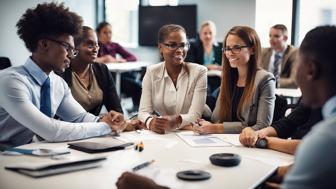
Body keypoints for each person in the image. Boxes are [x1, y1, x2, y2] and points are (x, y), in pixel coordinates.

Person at [0, 2, 125, 147]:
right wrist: (105, 127)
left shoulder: (58, 83)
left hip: (35, 153)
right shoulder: (10, 82)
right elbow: (51, 131)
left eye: (73, 50)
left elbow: (80, 117)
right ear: (44, 45)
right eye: (67, 47)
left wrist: (106, 120)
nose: (71, 55)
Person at [195, 26, 276, 135]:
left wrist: (217, 128)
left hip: (247, 146)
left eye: (237, 47)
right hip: (222, 141)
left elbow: (262, 125)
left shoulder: (265, 79)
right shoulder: (228, 78)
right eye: (227, 48)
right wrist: (204, 123)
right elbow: (216, 119)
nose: (230, 53)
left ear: (252, 49)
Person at [138, 24, 207, 134]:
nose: (179, 50)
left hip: (193, 132)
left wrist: (177, 120)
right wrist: (150, 122)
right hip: (167, 133)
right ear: (160, 47)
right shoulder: (151, 72)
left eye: (183, 45)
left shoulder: (199, 72)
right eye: (172, 45)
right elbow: (143, 112)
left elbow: (195, 115)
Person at [60, 26, 123, 115]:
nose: (95, 49)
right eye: (90, 45)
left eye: (97, 45)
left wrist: (119, 121)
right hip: (68, 127)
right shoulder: (62, 71)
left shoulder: (102, 70)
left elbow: (116, 109)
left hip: (94, 126)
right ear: (74, 47)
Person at [239, 103, 322, 154]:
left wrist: (266, 141)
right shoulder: (313, 98)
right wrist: (256, 134)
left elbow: (314, 147)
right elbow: (287, 124)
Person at [186, 20, 222, 94]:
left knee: (219, 91)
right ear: (200, 34)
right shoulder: (193, 46)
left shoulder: (220, 47)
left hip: (217, 78)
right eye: (205, 33)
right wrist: (208, 67)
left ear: (214, 34)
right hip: (201, 77)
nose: (208, 36)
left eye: (210, 33)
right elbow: (191, 66)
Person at [260, 24, 298, 88]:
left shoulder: (294, 53)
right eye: (270, 36)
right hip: (264, 90)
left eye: (276, 36)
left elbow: (294, 81)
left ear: (285, 38)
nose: (271, 39)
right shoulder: (263, 52)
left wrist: (270, 82)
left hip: (284, 93)